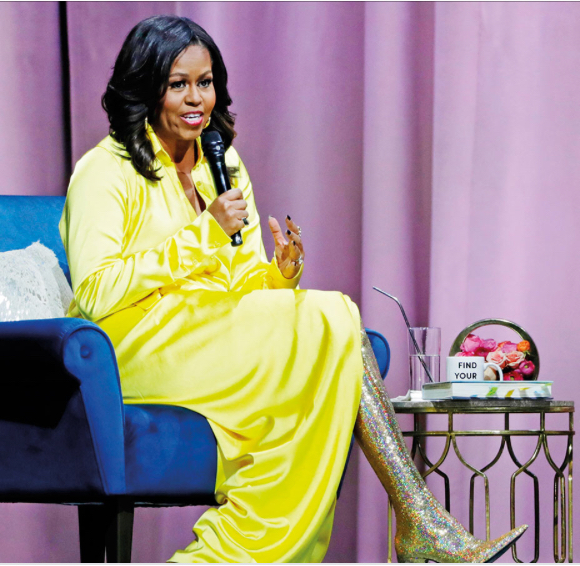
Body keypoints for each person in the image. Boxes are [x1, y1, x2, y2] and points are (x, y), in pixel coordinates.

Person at [59, 15, 526, 563]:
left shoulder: (222, 163)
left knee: (332, 329)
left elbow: (238, 285)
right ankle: (418, 520)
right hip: (133, 348)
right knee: (335, 319)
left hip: (209, 334)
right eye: (178, 84)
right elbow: (97, 290)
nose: (196, 99)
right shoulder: (105, 170)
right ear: (145, 87)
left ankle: (413, 521)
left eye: (205, 82)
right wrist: (204, 233)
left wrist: (280, 273)